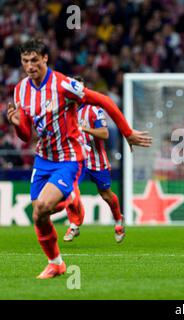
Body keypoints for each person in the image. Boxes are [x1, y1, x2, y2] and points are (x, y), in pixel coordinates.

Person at [6, 39, 151, 279]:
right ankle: (56, 263)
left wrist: (128, 132)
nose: (29, 66)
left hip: (69, 158)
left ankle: (72, 203)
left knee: (43, 206)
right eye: (25, 61)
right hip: (43, 159)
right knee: (39, 214)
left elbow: (104, 100)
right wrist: (16, 125)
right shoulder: (21, 89)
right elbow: (25, 135)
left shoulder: (63, 84)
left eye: (34, 60)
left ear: (45, 59)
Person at [63, 76, 125, 243]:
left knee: (106, 194)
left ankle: (118, 219)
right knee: (69, 190)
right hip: (75, 159)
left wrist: (83, 128)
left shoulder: (94, 109)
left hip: (96, 159)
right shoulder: (64, 110)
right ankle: (74, 225)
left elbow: (104, 133)